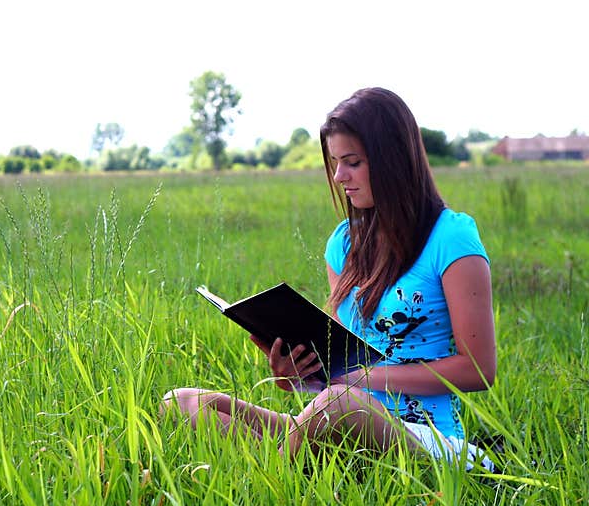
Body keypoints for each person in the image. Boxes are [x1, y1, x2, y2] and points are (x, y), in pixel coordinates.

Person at [161, 87, 497, 471]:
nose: (339, 176)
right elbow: (338, 357)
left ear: (393, 159)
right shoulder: (344, 243)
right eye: (335, 162)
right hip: (332, 414)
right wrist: (298, 375)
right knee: (182, 401)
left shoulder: (452, 238)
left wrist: (360, 379)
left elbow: (477, 370)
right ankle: (292, 461)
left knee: (337, 403)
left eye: (352, 162)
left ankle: (270, 473)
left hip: (421, 436)